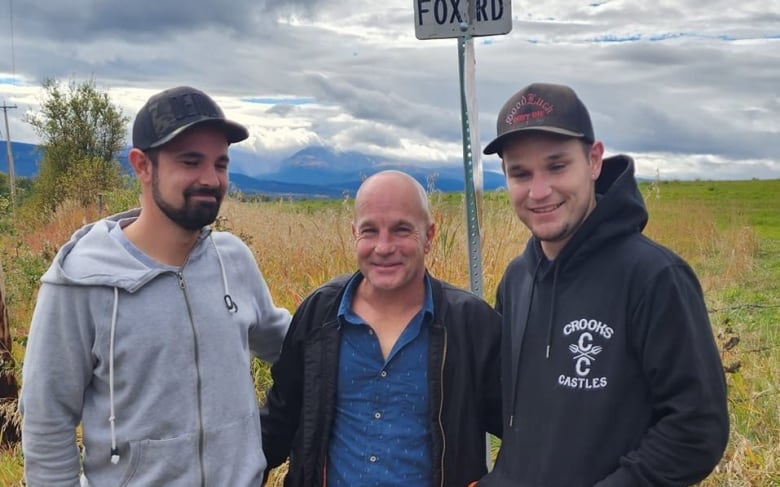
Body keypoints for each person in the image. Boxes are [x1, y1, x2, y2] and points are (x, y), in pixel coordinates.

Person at [20, 86, 292, 486]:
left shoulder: (233, 261)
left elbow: (290, 346)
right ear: (142, 165)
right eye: (190, 161)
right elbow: (47, 424)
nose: (210, 179)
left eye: (220, 163)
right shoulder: (81, 281)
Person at [475, 82, 730, 486]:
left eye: (557, 166)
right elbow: (517, 414)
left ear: (594, 161)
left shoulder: (655, 278)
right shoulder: (517, 280)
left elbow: (696, 429)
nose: (539, 191)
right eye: (520, 173)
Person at [260, 170, 502, 486]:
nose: (383, 247)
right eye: (369, 231)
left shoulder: (470, 323)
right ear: (353, 234)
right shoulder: (320, 314)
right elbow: (281, 418)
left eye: (402, 230)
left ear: (429, 236)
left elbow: (523, 428)